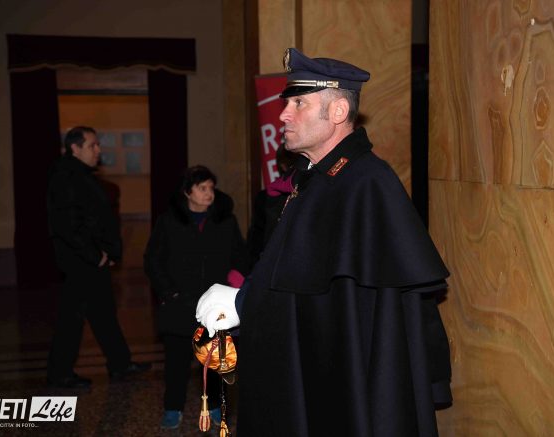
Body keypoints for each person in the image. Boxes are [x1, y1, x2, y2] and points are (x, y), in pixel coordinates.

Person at [196, 48, 452, 436]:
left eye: (299, 103)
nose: (283, 115)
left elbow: (336, 304)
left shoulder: (365, 183)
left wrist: (243, 302)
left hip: (345, 384)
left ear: (337, 112)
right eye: (287, 103)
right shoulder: (319, 178)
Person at [144, 165, 250, 430]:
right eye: (202, 188)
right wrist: (168, 292)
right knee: (176, 363)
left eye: (211, 188)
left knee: (214, 360)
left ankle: (214, 405)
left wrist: (235, 284)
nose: (209, 193)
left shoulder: (225, 221)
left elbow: (240, 256)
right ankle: (173, 407)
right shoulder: (169, 221)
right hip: (179, 304)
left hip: (213, 307)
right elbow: (153, 260)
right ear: (187, 192)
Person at [46, 126, 151, 389]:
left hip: (92, 259)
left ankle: (120, 363)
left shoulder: (81, 175)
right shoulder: (66, 177)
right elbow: (68, 225)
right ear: (75, 148)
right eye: (92, 145)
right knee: (72, 317)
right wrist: (95, 256)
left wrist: (109, 252)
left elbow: (97, 219)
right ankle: (61, 373)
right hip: (81, 261)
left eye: (97, 145)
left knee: (103, 312)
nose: (98, 150)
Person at [246, 144, 297, 267]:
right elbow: (258, 236)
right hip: (273, 261)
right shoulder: (268, 195)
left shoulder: (312, 188)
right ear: (283, 166)